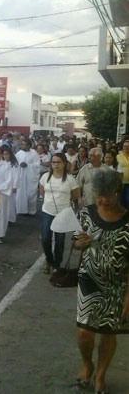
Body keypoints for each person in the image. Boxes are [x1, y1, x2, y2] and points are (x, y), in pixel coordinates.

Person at [73, 169, 129, 394]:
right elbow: (76, 244)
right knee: (85, 332)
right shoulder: (85, 213)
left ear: (118, 192)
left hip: (118, 285)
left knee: (108, 332)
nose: (103, 200)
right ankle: (87, 364)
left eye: (108, 195)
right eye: (99, 194)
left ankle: (101, 375)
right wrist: (81, 242)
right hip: (89, 280)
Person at [39, 153, 80, 274]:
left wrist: (64, 201)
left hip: (63, 213)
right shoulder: (45, 176)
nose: (55, 165)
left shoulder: (70, 179)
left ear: (64, 163)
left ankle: (57, 263)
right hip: (47, 211)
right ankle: (49, 260)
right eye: (53, 162)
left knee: (59, 240)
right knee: (45, 238)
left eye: (58, 162)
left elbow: (75, 195)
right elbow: (42, 191)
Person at [15, 138, 41, 216]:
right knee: (20, 193)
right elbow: (15, 164)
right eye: (22, 144)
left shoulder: (34, 153)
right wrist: (20, 165)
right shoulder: (19, 153)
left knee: (30, 193)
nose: (22, 146)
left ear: (29, 145)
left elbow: (38, 165)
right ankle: (21, 210)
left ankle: (31, 210)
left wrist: (28, 165)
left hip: (30, 177)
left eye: (24, 144)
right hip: (21, 176)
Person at [2, 145, 20, 224]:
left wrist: (14, 186)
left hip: (11, 185)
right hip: (3, 186)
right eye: (4, 154)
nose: (5, 156)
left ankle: (11, 218)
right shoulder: (2, 163)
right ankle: (3, 218)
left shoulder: (14, 164)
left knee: (11, 203)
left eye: (7, 154)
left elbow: (17, 175)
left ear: (10, 154)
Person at [117, 139, 129, 209]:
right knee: (121, 200)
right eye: (125, 146)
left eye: (128, 146)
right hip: (121, 182)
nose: (126, 148)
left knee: (128, 200)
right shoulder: (118, 156)